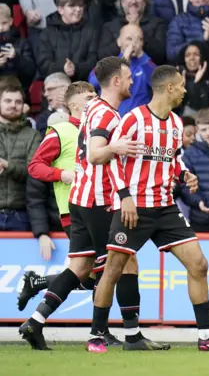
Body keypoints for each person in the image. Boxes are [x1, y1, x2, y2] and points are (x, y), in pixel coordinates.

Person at [88, 65, 209, 352]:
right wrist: (124, 197)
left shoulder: (174, 123)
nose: (186, 90)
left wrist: (184, 174)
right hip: (133, 207)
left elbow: (172, 159)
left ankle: (207, 336)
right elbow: (111, 159)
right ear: (170, 88)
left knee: (199, 264)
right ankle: (97, 335)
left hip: (165, 207)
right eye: (182, 85)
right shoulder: (133, 119)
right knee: (112, 269)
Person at [17, 57, 153, 351]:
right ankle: (111, 334)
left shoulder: (92, 114)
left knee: (81, 268)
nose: (132, 82)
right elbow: (91, 156)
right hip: (97, 200)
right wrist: (114, 150)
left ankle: (36, 321)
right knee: (122, 263)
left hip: (79, 199)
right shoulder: (100, 116)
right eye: (128, 78)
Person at [19, 82, 98, 311]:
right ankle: (100, 332)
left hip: (98, 209)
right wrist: (61, 174)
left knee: (90, 275)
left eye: (96, 96)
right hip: (74, 212)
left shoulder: (98, 132)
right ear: (72, 104)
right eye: (89, 97)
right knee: (101, 271)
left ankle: (38, 285)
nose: (95, 101)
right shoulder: (61, 131)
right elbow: (34, 166)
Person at [0, 79, 41, 231]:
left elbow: (33, 173)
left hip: (21, 215)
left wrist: (7, 165)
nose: (13, 105)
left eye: (18, 101)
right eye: (8, 101)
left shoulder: (33, 136)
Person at [89, 24, 156, 116]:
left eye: (139, 39)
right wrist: (123, 60)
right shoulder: (107, 63)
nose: (134, 43)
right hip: (110, 120)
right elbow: (93, 82)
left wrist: (141, 56)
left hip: (139, 122)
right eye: (129, 39)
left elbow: (158, 84)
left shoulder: (147, 63)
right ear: (119, 42)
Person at [99, 0, 168, 65]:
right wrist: (122, 39)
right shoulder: (110, 26)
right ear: (122, 2)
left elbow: (160, 55)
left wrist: (137, 30)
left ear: (145, 2)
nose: (133, 1)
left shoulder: (158, 24)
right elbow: (102, 56)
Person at [36, 0, 99, 80]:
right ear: (60, 9)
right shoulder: (47, 33)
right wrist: (62, 68)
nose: (78, 9)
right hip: (55, 82)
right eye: (72, 6)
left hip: (83, 84)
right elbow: (43, 62)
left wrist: (76, 68)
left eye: (80, 5)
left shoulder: (91, 30)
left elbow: (94, 60)